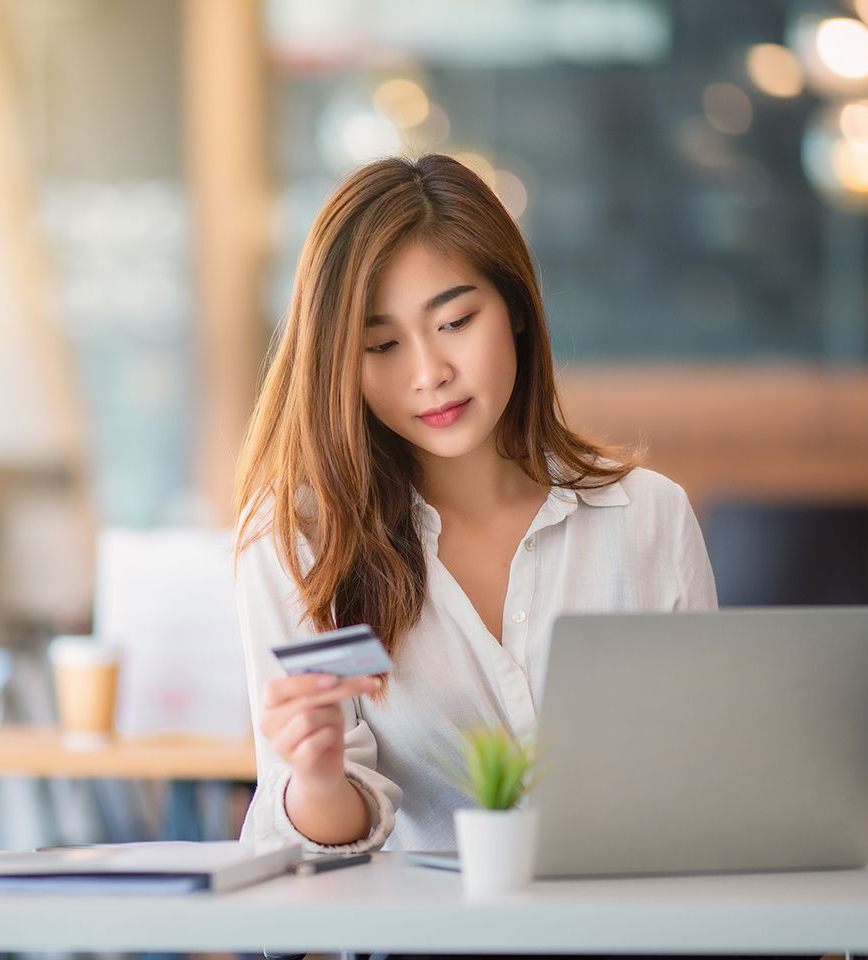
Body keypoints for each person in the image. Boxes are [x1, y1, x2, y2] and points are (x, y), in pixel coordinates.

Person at [233, 153, 716, 854]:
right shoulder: (299, 542)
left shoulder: (648, 517)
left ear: (516, 308)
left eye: (456, 321)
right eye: (382, 344)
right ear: (341, 361)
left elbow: (709, 775)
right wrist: (317, 777)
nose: (429, 373)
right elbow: (312, 854)